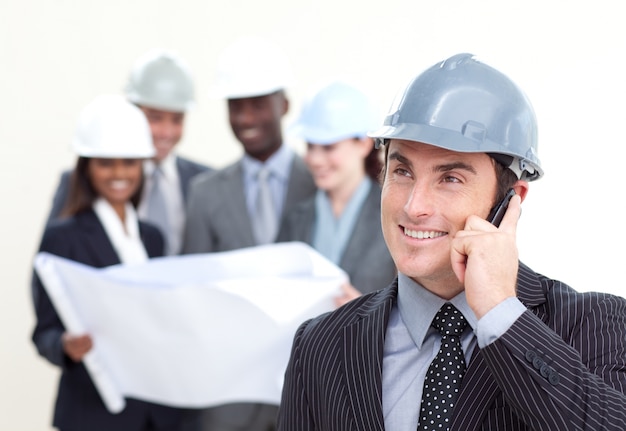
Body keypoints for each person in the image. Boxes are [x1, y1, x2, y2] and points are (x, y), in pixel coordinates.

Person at [277, 53, 626, 430]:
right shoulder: (319, 345)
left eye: (450, 179)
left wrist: (500, 313)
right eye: (402, 171)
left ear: (511, 201)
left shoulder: (593, 324)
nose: (414, 206)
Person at [181, 37, 316, 431]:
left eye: (257, 104)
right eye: (235, 106)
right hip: (230, 391)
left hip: (306, 382)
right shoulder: (205, 194)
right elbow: (195, 293)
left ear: (284, 105)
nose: (244, 118)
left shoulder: (320, 184)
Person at [31, 95, 188, 431]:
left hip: (157, 413)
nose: (119, 173)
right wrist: (65, 345)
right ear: (86, 167)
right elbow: (44, 331)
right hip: (93, 412)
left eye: (129, 163)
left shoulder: (152, 237)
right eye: (106, 163)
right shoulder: (63, 237)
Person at [48, 49, 212, 256]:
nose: (166, 132)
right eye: (155, 118)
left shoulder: (206, 182)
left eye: (177, 120)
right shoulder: (84, 181)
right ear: (132, 113)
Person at [278, 80, 396, 307]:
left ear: (363, 144)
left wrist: (368, 312)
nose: (314, 159)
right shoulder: (295, 219)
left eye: (328, 147)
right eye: (310, 146)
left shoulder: (394, 214)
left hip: (370, 342)